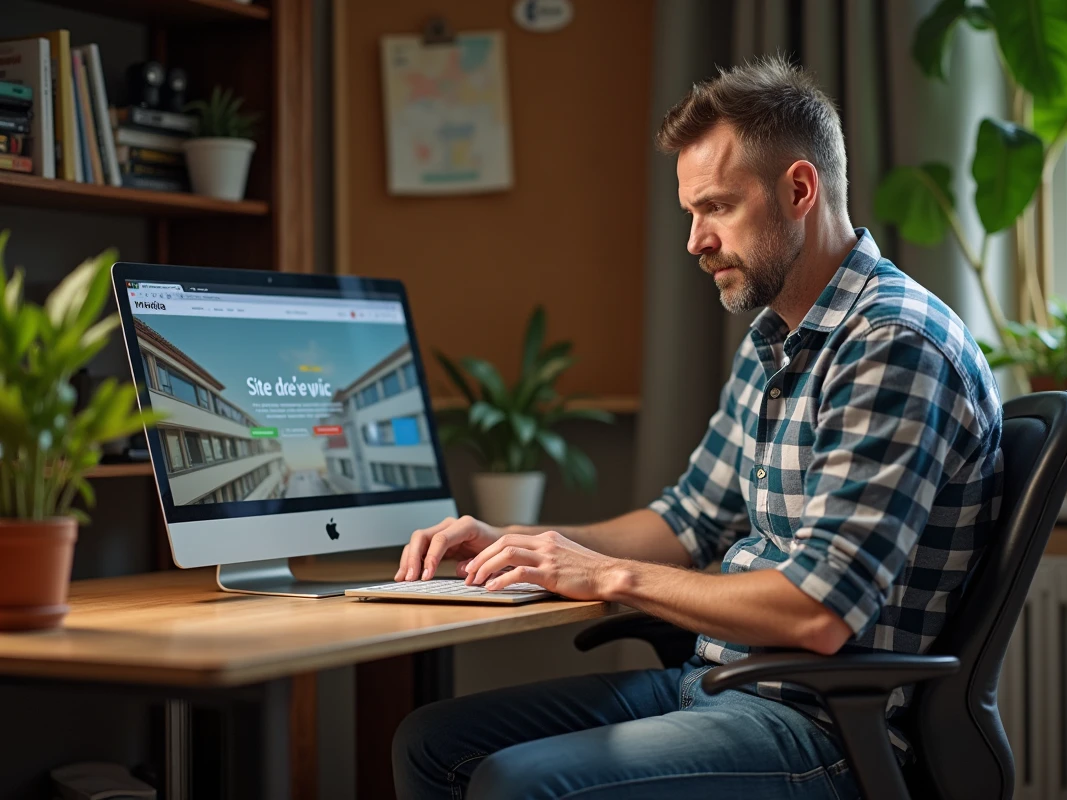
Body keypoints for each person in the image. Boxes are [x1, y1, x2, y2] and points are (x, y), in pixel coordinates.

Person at [392, 55, 1004, 800]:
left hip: (827, 729)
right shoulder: (778, 339)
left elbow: (818, 612)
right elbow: (686, 521)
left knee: (519, 783)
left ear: (800, 190)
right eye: (691, 212)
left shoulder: (892, 345)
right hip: (722, 684)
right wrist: (521, 544)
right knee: (433, 745)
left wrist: (607, 575)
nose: (695, 240)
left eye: (716, 207)